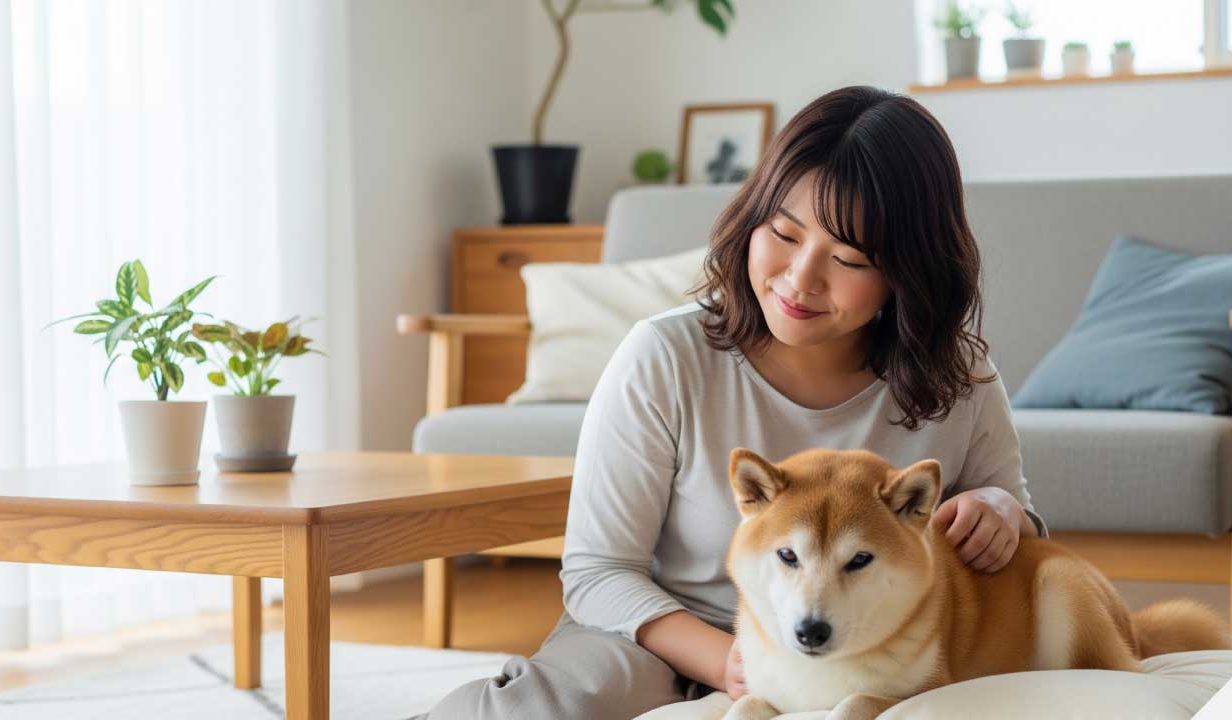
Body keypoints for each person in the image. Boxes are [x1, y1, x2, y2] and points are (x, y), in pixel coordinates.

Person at [424, 85, 1047, 720]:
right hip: (664, 633)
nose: (801, 278)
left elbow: (1015, 522)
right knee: (546, 706)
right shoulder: (664, 356)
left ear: (907, 274)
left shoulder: (958, 375)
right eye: (783, 233)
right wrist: (729, 660)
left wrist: (999, 509)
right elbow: (598, 571)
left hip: (862, 655)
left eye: (849, 258)